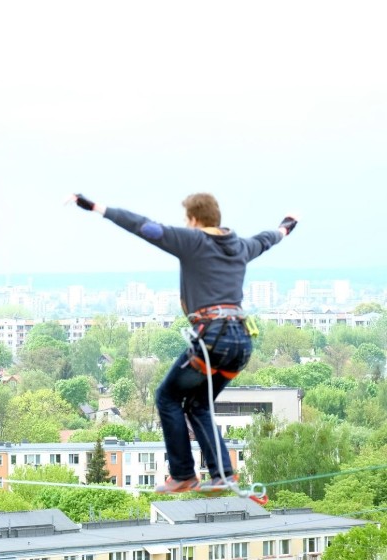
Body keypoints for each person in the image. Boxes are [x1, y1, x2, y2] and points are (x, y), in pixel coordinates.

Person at [70, 193, 296, 493]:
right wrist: (288, 224)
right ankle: (224, 474)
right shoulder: (240, 246)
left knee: (167, 396)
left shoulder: (192, 241)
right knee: (198, 404)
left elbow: (143, 227)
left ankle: (183, 475)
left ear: (193, 220)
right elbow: (270, 238)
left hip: (214, 340)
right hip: (241, 343)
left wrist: (95, 207)